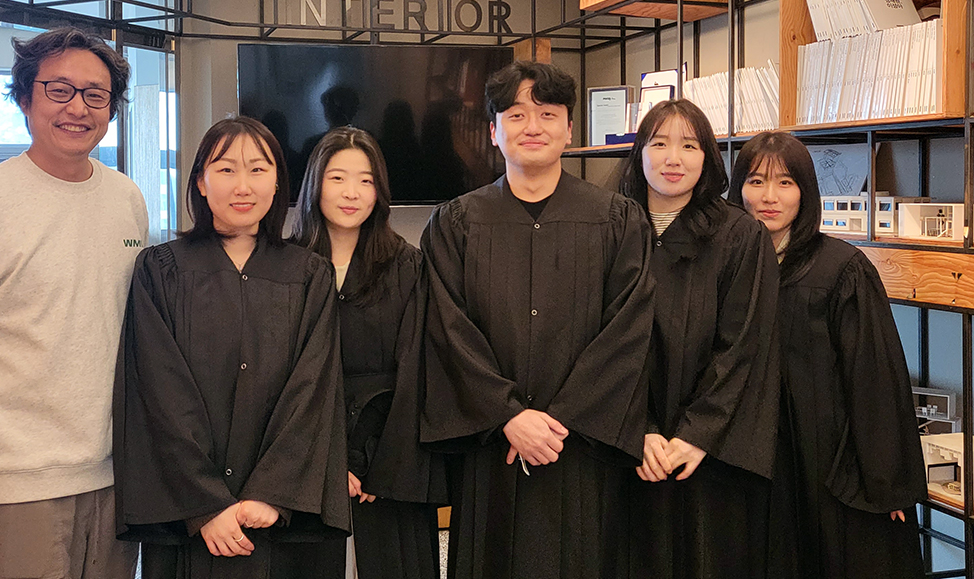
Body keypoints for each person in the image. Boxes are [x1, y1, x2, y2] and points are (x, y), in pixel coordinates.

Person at [0, 27, 149, 577]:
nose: (77, 108)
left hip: (118, 479)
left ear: (111, 108)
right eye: (59, 90)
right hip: (16, 488)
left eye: (96, 94)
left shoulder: (127, 199)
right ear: (23, 97)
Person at [421, 60, 656, 579]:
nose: (533, 127)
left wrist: (558, 422)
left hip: (581, 447)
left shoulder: (617, 220)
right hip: (493, 447)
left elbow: (627, 331)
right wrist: (508, 415)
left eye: (547, 114)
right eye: (516, 115)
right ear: (493, 131)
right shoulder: (456, 223)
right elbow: (447, 329)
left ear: (569, 129)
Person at [114, 116, 350, 579]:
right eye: (225, 169)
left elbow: (314, 390)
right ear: (201, 182)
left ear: (278, 183)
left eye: (258, 169)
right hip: (189, 515)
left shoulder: (309, 275)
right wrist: (205, 505)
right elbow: (157, 392)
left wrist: (272, 491)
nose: (243, 186)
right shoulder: (161, 270)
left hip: (280, 515)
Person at [729, 130, 925, 579]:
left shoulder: (840, 268)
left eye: (785, 182)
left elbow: (874, 378)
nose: (769, 197)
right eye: (756, 181)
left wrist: (888, 483)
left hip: (825, 459)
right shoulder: (727, 267)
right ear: (738, 190)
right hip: (749, 462)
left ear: (806, 191)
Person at [620, 98, 778, 579]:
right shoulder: (612, 229)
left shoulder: (739, 236)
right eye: (659, 144)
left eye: (689, 146)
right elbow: (596, 341)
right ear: (639, 154)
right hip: (623, 442)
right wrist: (637, 428)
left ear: (707, 158)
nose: (674, 158)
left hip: (709, 451)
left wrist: (696, 436)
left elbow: (743, 346)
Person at [291, 126, 445, 579]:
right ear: (315, 183)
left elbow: (418, 371)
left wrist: (380, 465)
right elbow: (276, 378)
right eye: (337, 178)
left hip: (387, 460)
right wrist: (327, 463)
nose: (351, 193)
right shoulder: (285, 266)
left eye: (366, 180)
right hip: (305, 460)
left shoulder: (407, 265)